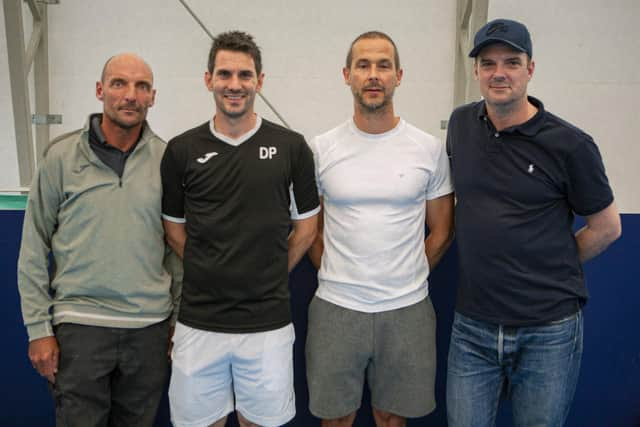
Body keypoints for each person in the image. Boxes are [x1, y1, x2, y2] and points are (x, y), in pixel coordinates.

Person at [445, 18, 622, 426]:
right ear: (476, 72)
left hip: (548, 330)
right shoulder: (460, 126)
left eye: (511, 61)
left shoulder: (570, 144)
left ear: (530, 69)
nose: (499, 73)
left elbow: (608, 227)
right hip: (473, 326)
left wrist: (553, 262)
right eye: (488, 64)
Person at [161, 31, 320, 427]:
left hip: (268, 326)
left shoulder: (291, 147)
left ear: (260, 81)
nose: (235, 85)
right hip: (199, 323)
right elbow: (174, 230)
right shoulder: (181, 150)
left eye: (245, 75)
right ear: (208, 79)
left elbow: (306, 229)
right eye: (225, 74)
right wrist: (210, 268)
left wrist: (267, 271)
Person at [17, 53, 180, 427]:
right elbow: (33, 248)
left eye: (141, 86)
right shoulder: (59, 157)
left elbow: (176, 250)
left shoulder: (168, 160)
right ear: (100, 90)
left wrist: (177, 319)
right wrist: (39, 330)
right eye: (119, 83)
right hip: (80, 330)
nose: (130, 95)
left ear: (152, 97)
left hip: (148, 331)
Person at [306, 31, 455, 427]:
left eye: (383, 65)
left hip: (407, 308)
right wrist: (340, 273)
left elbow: (441, 231)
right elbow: (311, 232)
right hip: (337, 306)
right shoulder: (321, 148)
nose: (373, 75)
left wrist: (405, 274)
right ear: (347, 74)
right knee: (336, 419)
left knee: (391, 418)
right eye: (363, 65)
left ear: (399, 75)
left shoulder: (428, 149)